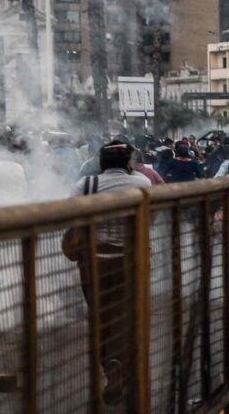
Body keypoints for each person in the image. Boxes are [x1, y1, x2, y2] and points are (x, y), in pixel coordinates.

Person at [66, 141, 152, 406]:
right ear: (128, 162)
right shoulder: (141, 183)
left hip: (95, 264)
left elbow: (71, 219)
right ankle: (128, 369)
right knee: (130, 316)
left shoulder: (85, 186)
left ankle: (111, 368)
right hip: (131, 261)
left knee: (100, 316)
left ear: (100, 162)